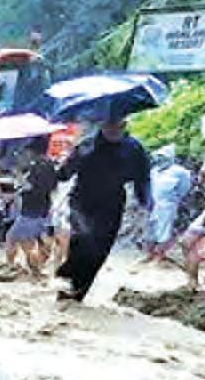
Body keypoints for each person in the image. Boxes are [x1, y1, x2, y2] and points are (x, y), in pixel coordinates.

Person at [56, 119, 151, 301]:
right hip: (82, 200)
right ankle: (67, 280)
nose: (113, 129)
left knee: (100, 249)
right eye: (110, 125)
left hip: (112, 203)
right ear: (102, 125)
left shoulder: (134, 148)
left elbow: (143, 178)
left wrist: (145, 202)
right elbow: (63, 174)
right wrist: (70, 158)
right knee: (82, 240)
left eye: (118, 125)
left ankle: (78, 293)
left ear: (125, 125)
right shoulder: (87, 144)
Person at [6, 136, 59, 275]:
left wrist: (18, 176)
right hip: (44, 208)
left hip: (31, 210)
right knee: (30, 242)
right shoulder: (50, 164)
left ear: (33, 151)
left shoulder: (38, 166)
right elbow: (52, 186)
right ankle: (34, 271)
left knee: (15, 239)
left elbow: (30, 187)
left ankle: (16, 269)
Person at [144, 145, 193, 261]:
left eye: (162, 157)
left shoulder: (180, 172)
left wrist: (174, 199)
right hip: (153, 205)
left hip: (168, 205)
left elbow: (184, 188)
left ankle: (160, 256)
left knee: (164, 230)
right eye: (158, 156)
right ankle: (149, 254)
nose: (159, 159)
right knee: (150, 229)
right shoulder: (154, 171)